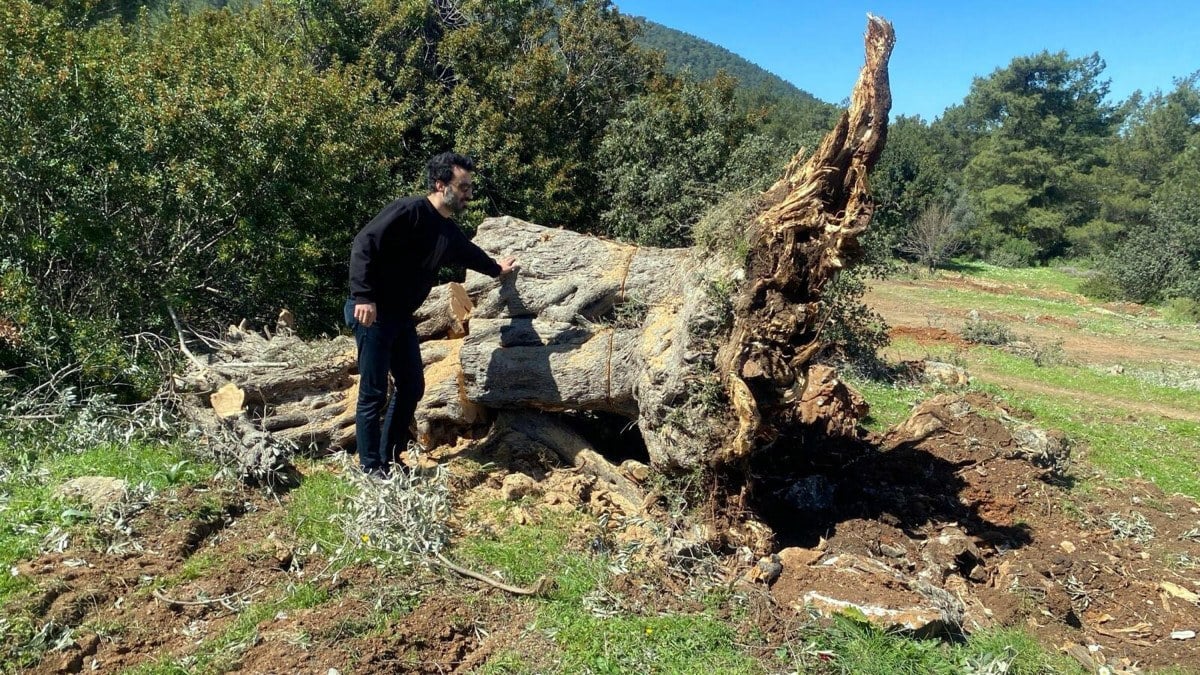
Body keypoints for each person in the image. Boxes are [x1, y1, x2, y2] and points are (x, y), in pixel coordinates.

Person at [345, 152, 516, 477]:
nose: (468, 194)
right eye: (463, 187)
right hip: (374, 313)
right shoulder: (409, 211)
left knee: (412, 386)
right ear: (441, 185)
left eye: (469, 187)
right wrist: (363, 296)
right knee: (374, 392)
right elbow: (363, 243)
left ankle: (390, 458)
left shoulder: (447, 231)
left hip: (400, 318)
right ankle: (370, 469)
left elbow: (468, 252)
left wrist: (497, 269)